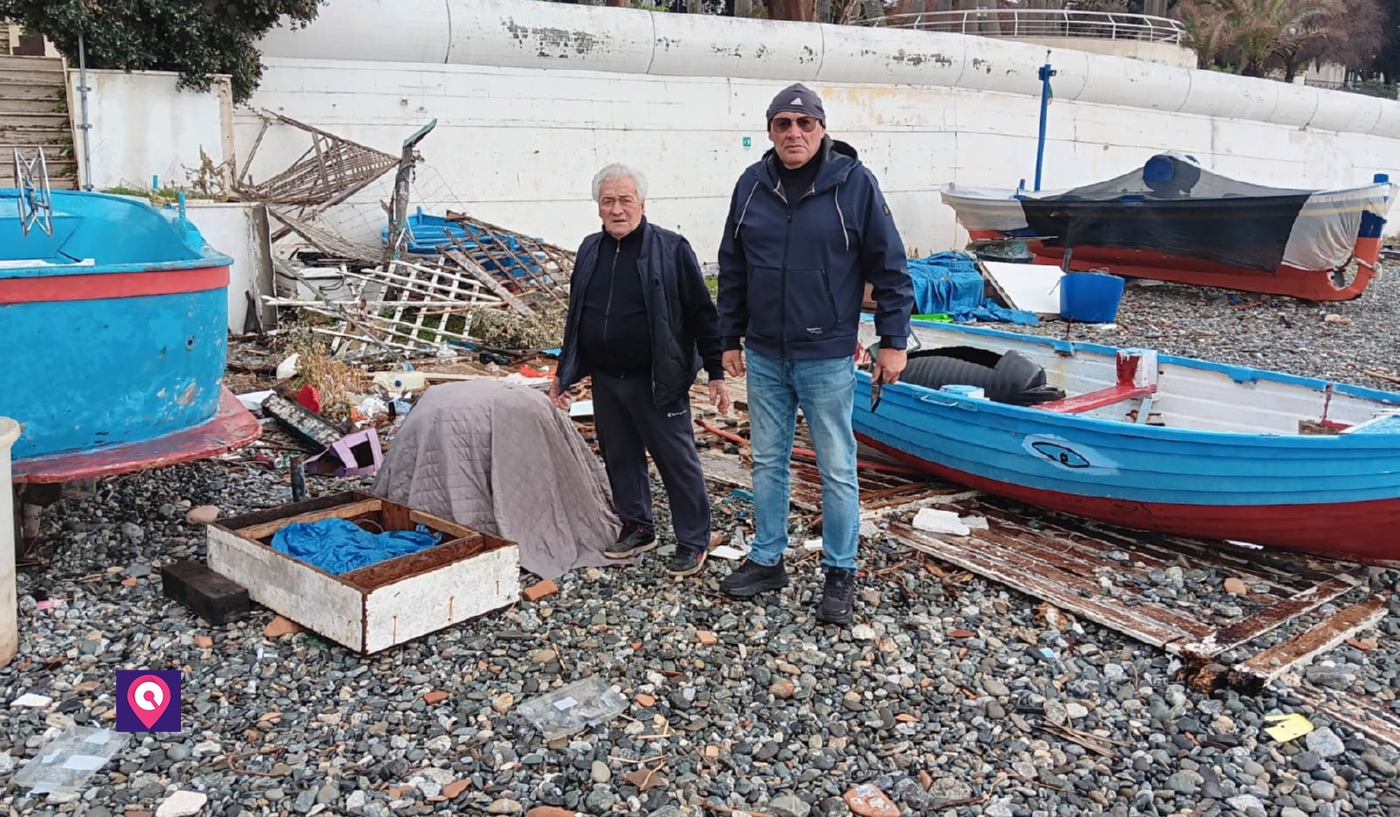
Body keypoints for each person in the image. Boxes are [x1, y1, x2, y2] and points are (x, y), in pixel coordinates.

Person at [714, 83, 915, 625]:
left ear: (822, 129)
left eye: (805, 124)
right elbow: (731, 266)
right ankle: (767, 558)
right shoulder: (751, 186)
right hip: (763, 354)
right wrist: (726, 338)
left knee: (836, 464)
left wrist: (894, 341)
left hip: (825, 352)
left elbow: (890, 268)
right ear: (771, 131)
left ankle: (840, 570)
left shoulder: (854, 185)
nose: (794, 133)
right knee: (769, 461)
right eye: (783, 124)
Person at [551, 162, 730, 578]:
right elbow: (577, 315)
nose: (617, 209)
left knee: (676, 460)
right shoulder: (589, 249)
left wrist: (716, 371)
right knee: (621, 457)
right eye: (608, 201)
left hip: (658, 379)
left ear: (642, 204)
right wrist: (566, 370)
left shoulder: (672, 249)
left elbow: (704, 314)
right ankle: (637, 526)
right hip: (607, 379)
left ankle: (692, 540)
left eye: (625, 200)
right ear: (598, 207)